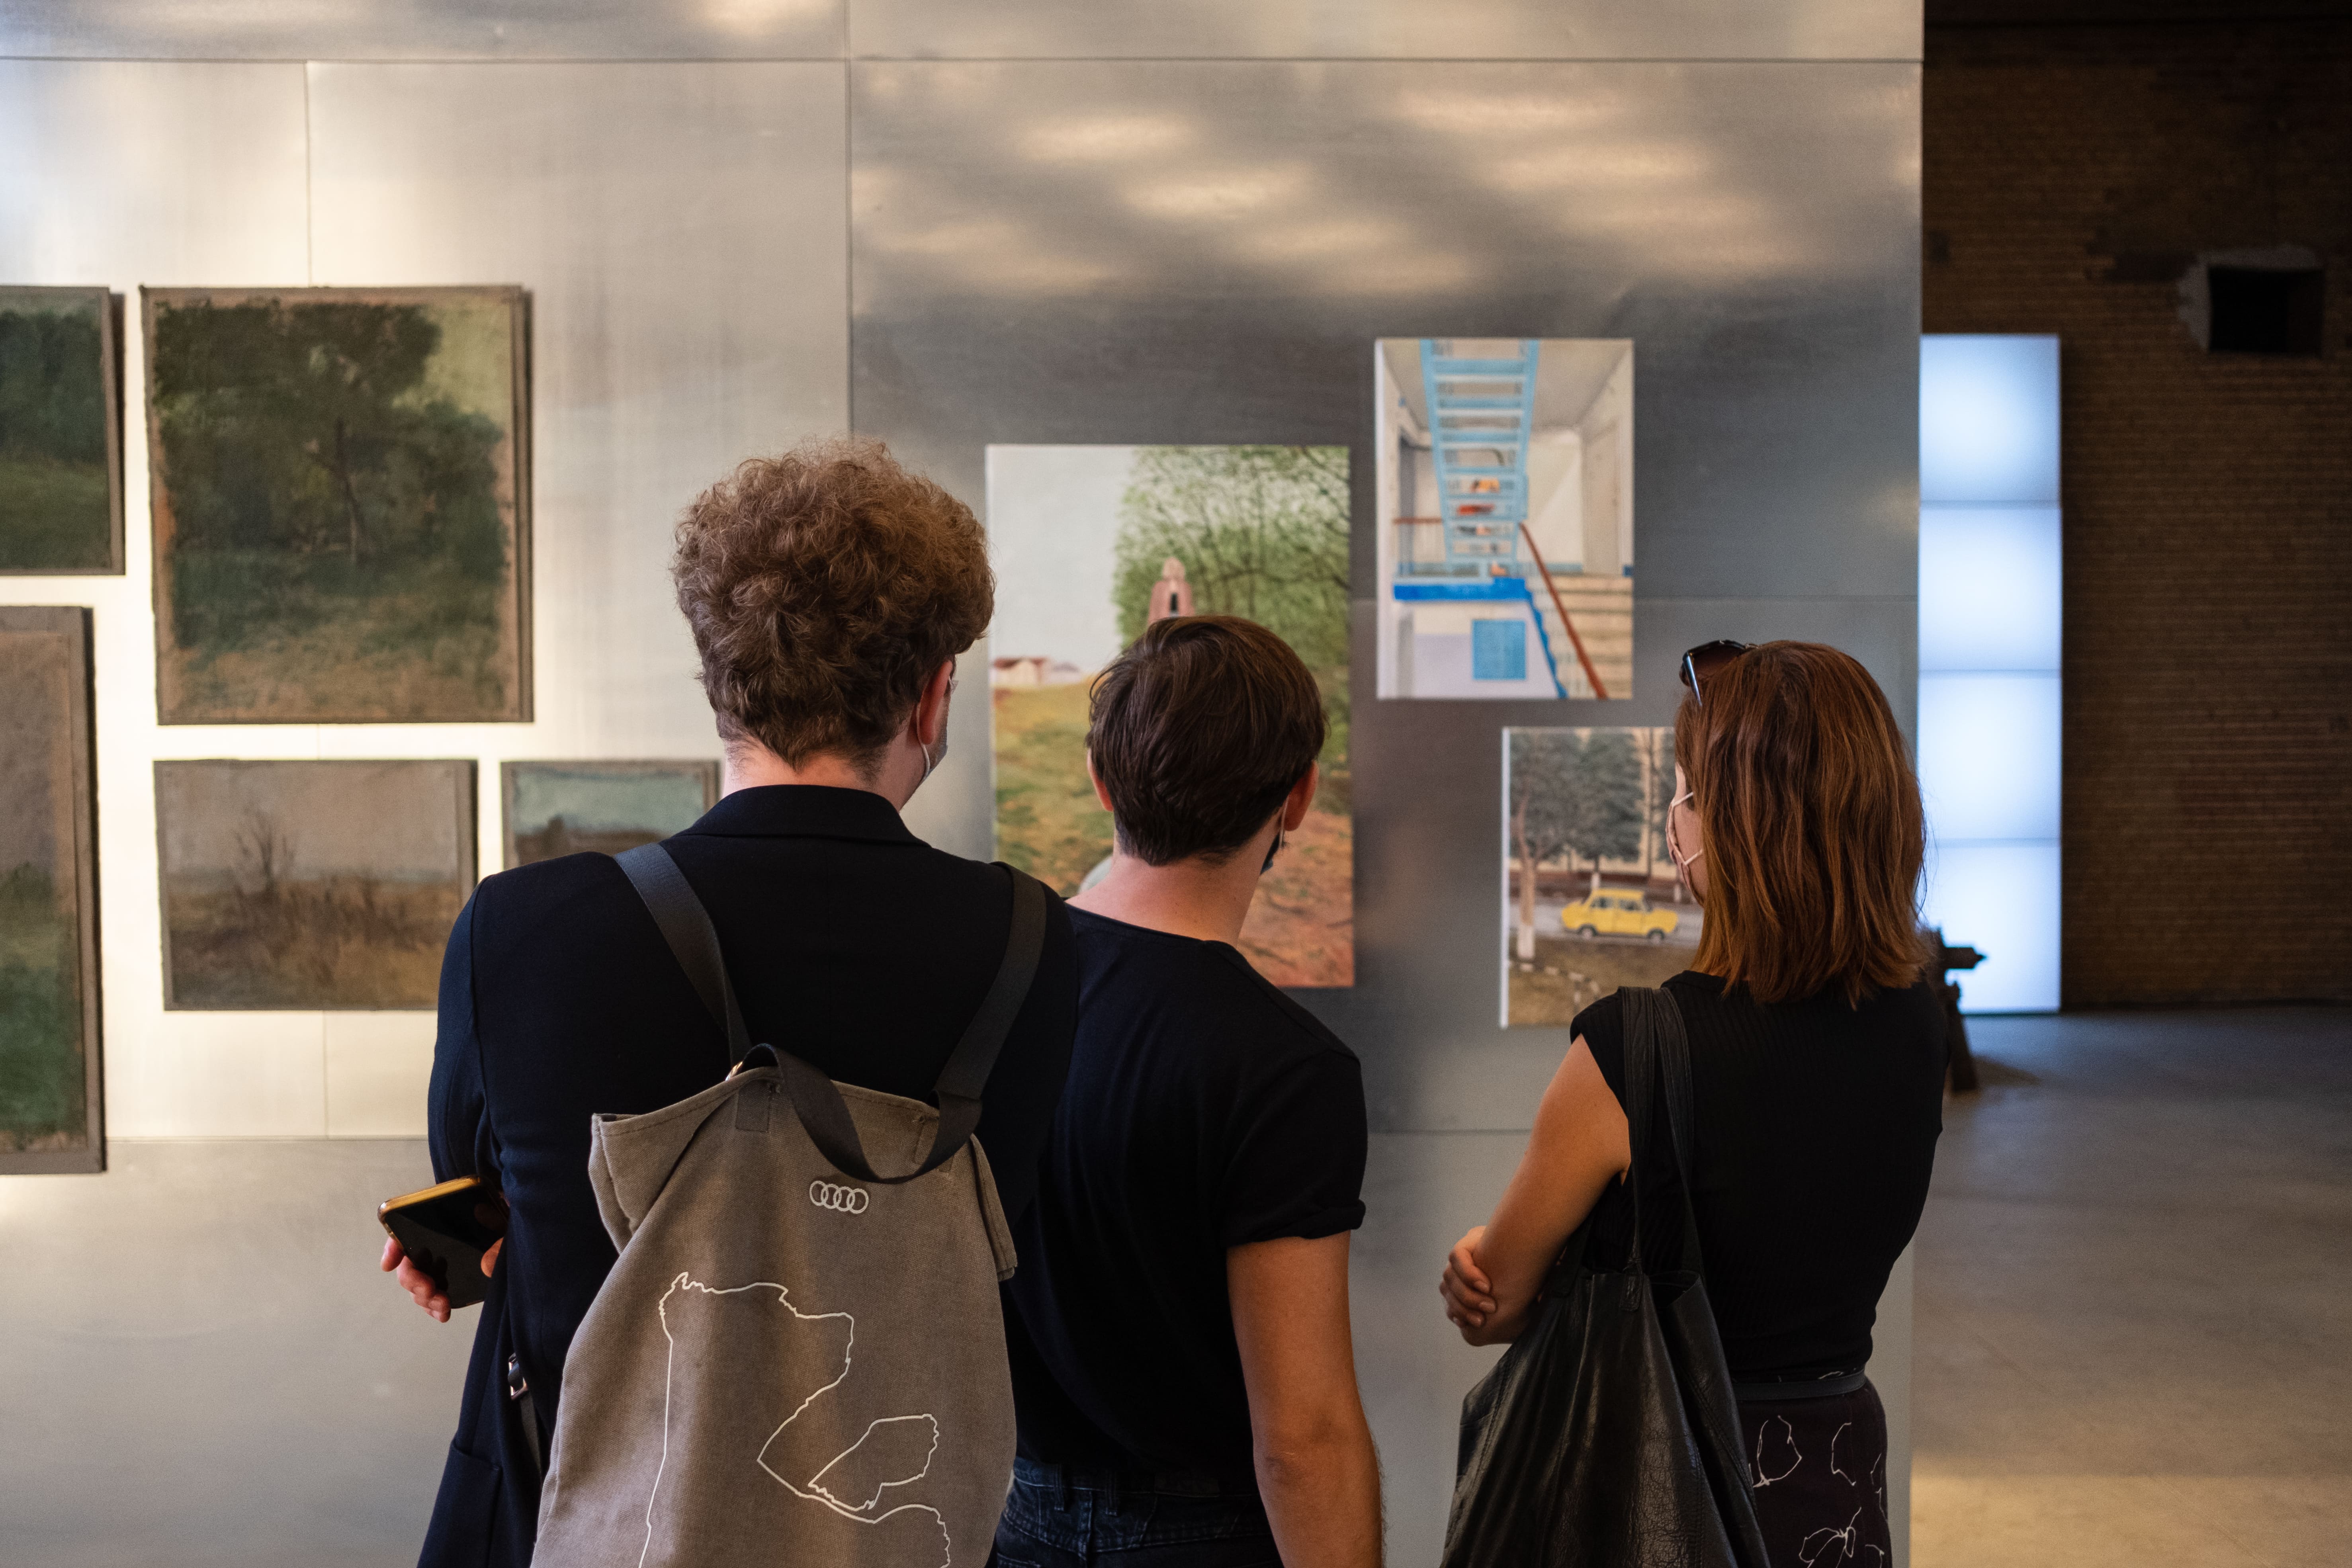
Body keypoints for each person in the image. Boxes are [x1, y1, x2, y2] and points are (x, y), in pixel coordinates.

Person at [379, 438, 1079, 1568]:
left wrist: (471, 1243)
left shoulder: (523, 930)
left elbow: (483, 1201)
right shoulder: (1031, 944)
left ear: (721, 683)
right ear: (933, 693)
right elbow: (1005, 1222)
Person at [1439, 640, 1946, 1566]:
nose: (1676, 819)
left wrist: (1481, 1258)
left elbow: (1496, 1306)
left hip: (1665, 1485)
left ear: (1737, 824)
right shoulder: (1915, 1020)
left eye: (1687, 793)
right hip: (1832, 1479)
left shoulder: (1632, 1048)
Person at [995, 615, 1382, 1568]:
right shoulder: (1284, 1067)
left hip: (1011, 1516)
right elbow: (1302, 1439)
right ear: (1298, 798)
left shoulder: (986, 990)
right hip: (1202, 1537)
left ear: (1100, 781)